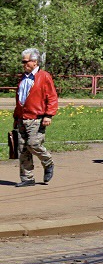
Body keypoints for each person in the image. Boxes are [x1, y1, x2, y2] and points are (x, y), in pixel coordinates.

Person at [13, 48, 58, 187]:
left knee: (34, 144)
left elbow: (51, 97)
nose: (24, 64)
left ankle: (48, 162)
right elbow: (20, 99)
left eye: (26, 61)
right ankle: (27, 178)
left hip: (37, 117)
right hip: (22, 117)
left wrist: (48, 114)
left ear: (35, 62)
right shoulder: (23, 77)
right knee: (22, 148)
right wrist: (16, 117)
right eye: (23, 62)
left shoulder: (44, 76)